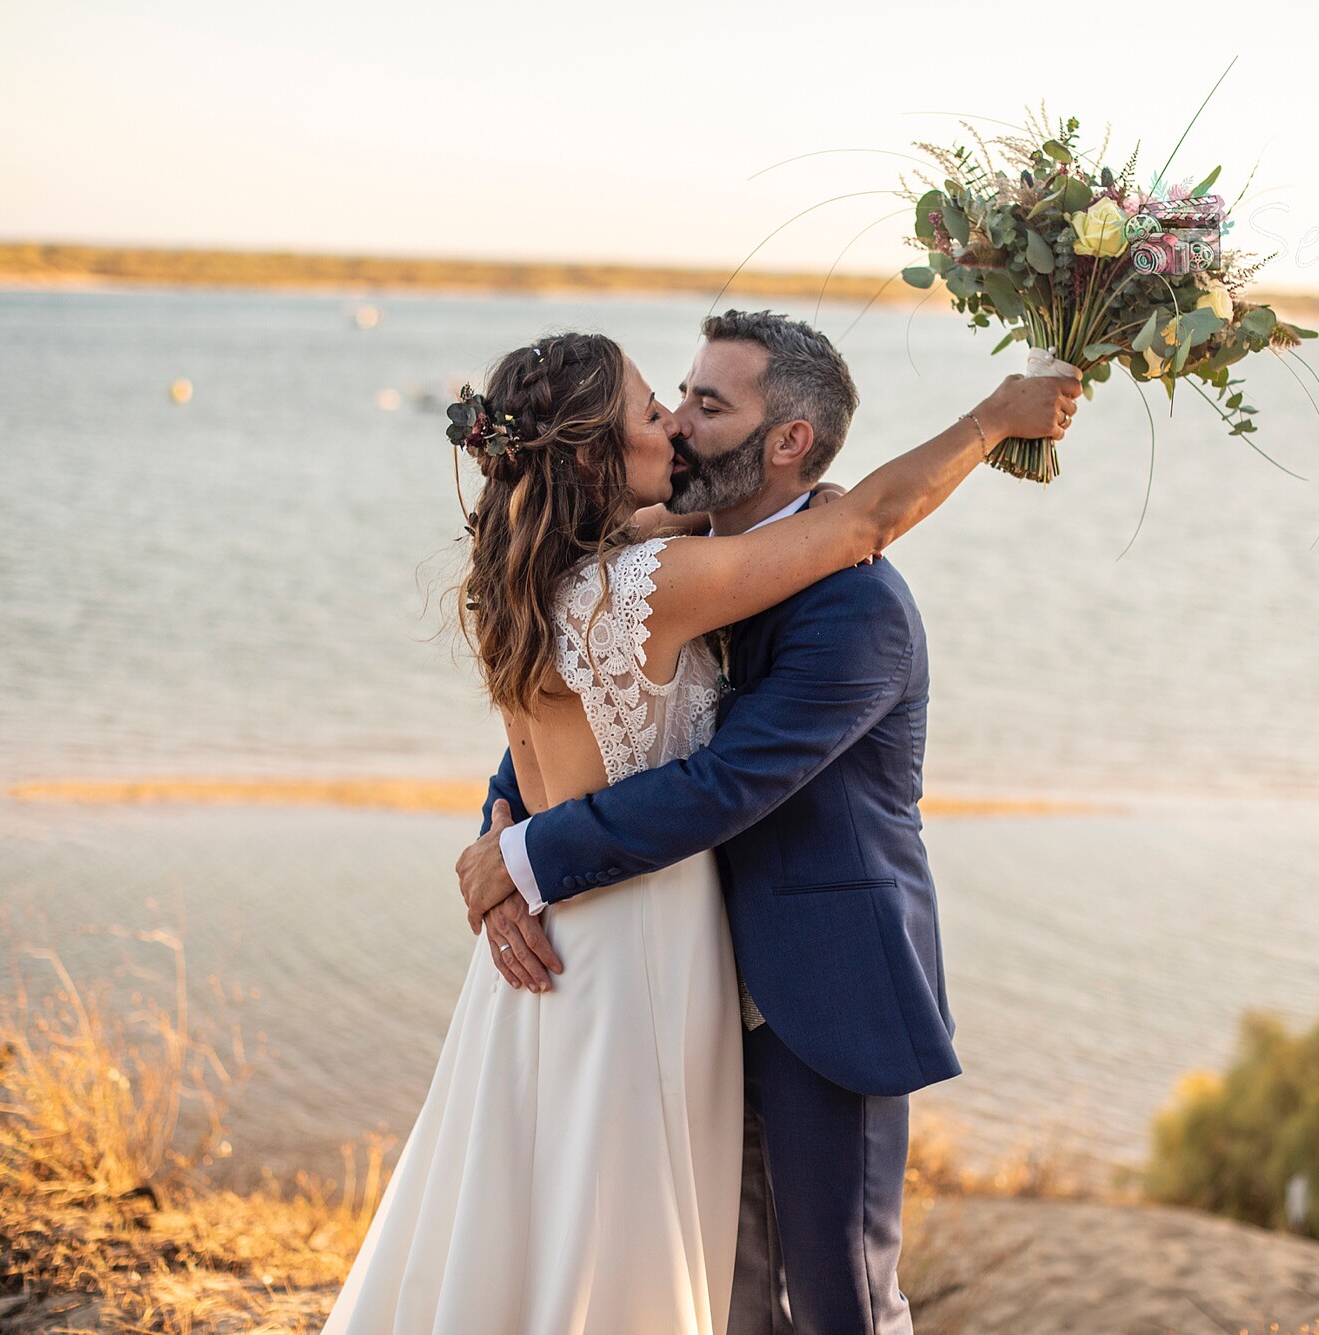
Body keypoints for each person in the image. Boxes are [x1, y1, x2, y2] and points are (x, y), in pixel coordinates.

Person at [324, 319, 1077, 1335]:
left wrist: (519, 855)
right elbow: (563, 728)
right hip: (649, 967)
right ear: (596, 456)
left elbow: (717, 779)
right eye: (662, 403)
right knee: (664, 1272)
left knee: (832, 1298)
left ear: (786, 444)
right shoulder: (649, 570)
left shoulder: (833, 605)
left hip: (810, 992)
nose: (675, 425)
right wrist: (508, 841)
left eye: (701, 406)